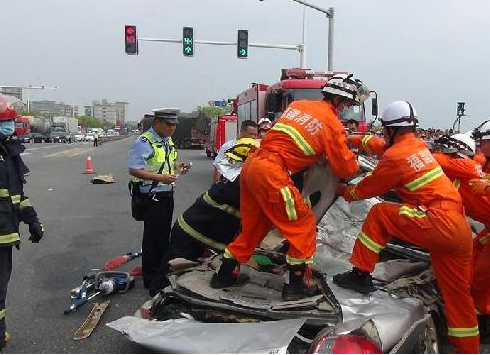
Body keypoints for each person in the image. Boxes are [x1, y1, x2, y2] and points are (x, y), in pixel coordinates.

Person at [334, 101, 479, 353]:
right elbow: (381, 146)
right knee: (458, 297)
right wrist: (352, 139)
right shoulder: (418, 146)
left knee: (380, 213)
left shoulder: (397, 156)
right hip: (459, 229)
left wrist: (344, 191)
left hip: (438, 222)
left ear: (390, 129)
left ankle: (360, 274)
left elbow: (368, 189)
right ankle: (469, 349)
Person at [210, 73, 369, 301]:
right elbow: (346, 169)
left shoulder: (299, 105)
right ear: (341, 101)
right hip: (273, 173)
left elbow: (297, 138)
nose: (348, 109)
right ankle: (296, 285)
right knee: (303, 225)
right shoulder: (332, 124)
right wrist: (352, 151)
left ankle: (224, 275)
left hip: (252, 167)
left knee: (255, 227)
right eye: (349, 104)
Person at [149, 138, 259, 297]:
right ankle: (154, 304)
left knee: (182, 272)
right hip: (190, 233)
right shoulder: (240, 183)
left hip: (197, 231)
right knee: (167, 276)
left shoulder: (236, 179)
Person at [0, 94, 44, 353]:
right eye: (8, 121)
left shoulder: (8, 154)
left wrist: (33, 221)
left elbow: (17, 197)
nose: (12, 126)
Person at [127, 108, 190, 288]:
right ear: (157, 122)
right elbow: (134, 169)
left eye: (175, 125)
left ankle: (160, 273)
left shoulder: (166, 140)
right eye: (168, 124)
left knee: (163, 236)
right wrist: (161, 178)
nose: (172, 128)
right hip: (152, 196)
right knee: (153, 239)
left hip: (166, 194)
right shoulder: (144, 141)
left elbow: (166, 162)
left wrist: (178, 166)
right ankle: (151, 278)